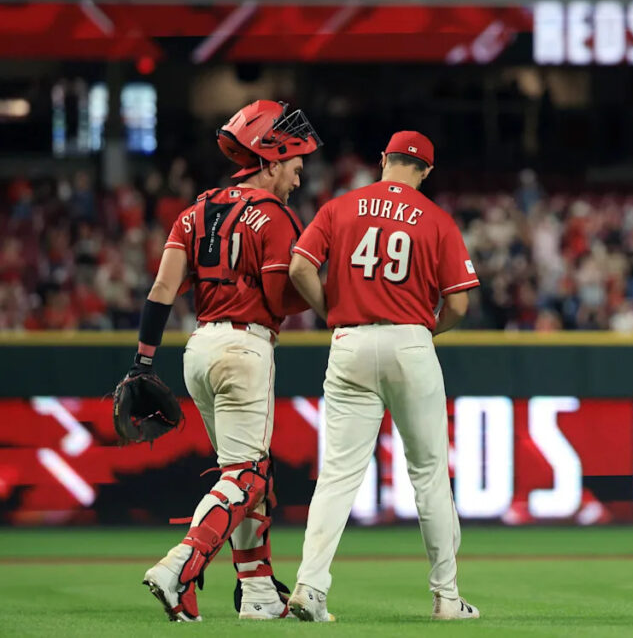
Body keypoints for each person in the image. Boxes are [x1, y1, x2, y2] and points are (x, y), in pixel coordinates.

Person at [136, 100, 321, 621]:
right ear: (271, 157)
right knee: (249, 476)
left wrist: (143, 361)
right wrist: (331, 295)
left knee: (241, 476)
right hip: (245, 347)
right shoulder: (277, 216)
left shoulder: (193, 211)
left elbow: (162, 288)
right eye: (294, 163)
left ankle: (259, 594)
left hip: (198, 350)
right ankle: (180, 567)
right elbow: (281, 294)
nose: (299, 174)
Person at [287, 131, 481, 622]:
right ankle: (446, 597)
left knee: (336, 476)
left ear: (383, 160)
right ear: (427, 171)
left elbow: (299, 268)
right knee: (429, 476)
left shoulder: (340, 207)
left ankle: (310, 587)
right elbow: (459, 301)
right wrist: (427, 329)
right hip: (409, 341)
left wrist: (332, 310)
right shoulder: (436, 219)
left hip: (349, 340)